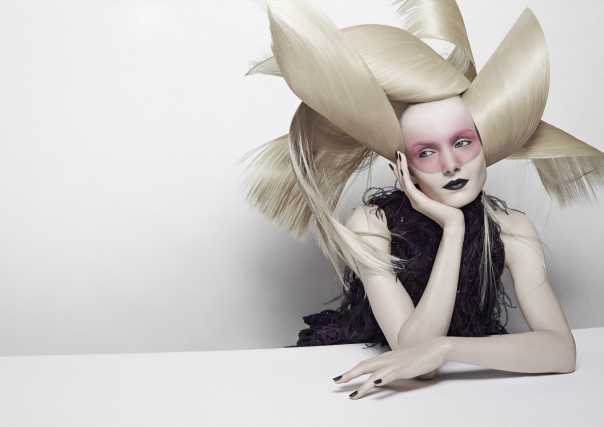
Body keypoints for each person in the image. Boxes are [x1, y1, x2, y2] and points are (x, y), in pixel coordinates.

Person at [238, 0, 604, 400]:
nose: (450, 165)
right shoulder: (371, 224)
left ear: (485, 146)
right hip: (365, 386)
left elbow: (561, 352)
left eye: (462, 142)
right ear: (403, 166)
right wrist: (453, 227)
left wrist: (447, 348)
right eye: (426, 151)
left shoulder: (512, 228)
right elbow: (415, 358)